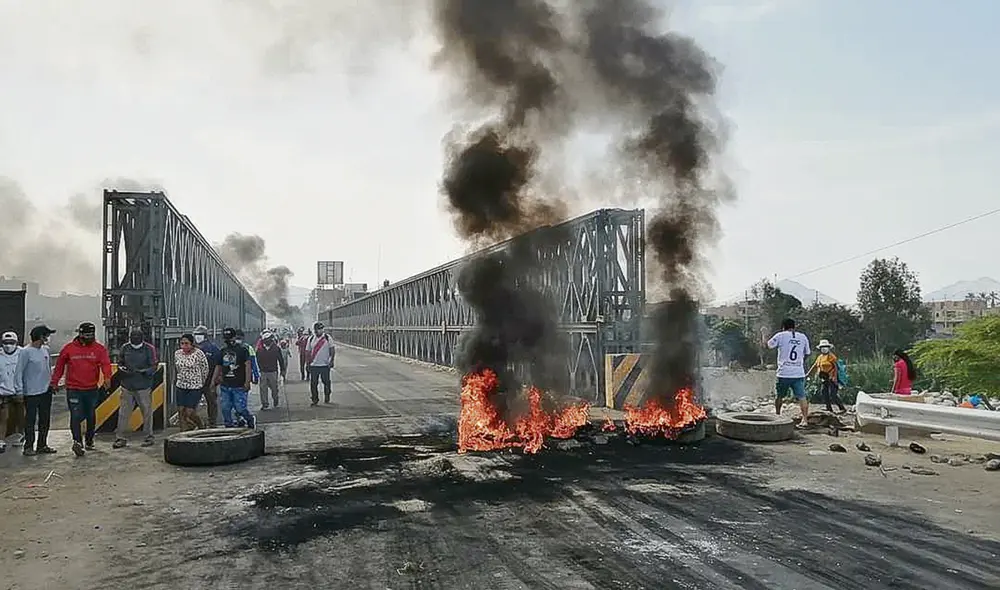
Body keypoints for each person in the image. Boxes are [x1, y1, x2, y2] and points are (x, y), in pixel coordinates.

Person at [50, 322, 113, 457]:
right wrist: (54, 382)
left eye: (91, 335)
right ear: (80, 334)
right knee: (76, 415)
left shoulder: (99, 349)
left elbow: (106, 364)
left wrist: (107, 377)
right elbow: (59, 366)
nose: (89, 337)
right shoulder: (68, 349)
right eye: (86, 335)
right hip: (74, 389)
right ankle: (77, 442)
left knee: (90, 415)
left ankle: (89, 440)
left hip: (91, 389)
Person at [15, 325, 57, 455]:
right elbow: (18, 372)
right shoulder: (25, 352)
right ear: (40, 336)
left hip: (45, 391)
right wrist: (19, 391)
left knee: (45, 420)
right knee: (30, 421)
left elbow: (48, 369)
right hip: (31, 392)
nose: (48, 338)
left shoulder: (45, 350)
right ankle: (28, 446)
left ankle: (42, 445)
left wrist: (52, 384)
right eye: (46, 335)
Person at [113, 327, 158, 448]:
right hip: (127, 385)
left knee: (147, 412)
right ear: (130, 338)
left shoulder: (149, 349)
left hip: (143, 386)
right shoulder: (125, 348)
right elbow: (120, 362)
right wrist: (122, 369)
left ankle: (149, 437)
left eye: (137, 337)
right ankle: (120, 438)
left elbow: (154, 366)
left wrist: (145, 371)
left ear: (142, 338)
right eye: (133, 337)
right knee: (123, 412)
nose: (135, 339)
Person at [765, 318, 811, 429]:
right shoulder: (803, 337)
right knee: (802, 397)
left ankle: (777, 415)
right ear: (794, 327)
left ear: (783, 327)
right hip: (798, 373)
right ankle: (804, 420)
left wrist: (764, 335)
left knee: (780, 396)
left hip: (784, 373)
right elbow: (808, 353)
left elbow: (768, 346)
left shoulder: (780, 335)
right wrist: (800, 362)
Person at [213, 327, 256, 429]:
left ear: (234, 338)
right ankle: (229, 425)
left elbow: (248, 366)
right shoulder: (222, 351)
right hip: (225, 385)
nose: (228, 341)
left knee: (240, 408)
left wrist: (247, 382)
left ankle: (249, 419)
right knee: (225, 408)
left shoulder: (243, 350)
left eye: (229, 338)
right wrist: (213, 382)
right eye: (226, 339)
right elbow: (218, 367)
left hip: (239, 385)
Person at [174, 333, 210, 431]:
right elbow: (177, 368)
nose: (184, 346)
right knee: (181, 411)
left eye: (186, 343)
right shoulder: (177, 353)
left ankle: (200, 425)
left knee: (189, 411)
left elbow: (205, 369)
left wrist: (201, 382)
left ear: (192, 344)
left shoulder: (199, 354)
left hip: (195, 386)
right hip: (181, 385)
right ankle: (183, 432)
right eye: (182, 344)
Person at [0, 331, 25, 453]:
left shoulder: (23, 353)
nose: (8, 345)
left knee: (21, 415)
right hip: (3, 392)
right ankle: (1, 440)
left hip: (19, 391)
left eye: (11, 342)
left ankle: (21, 435)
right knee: (3, 417)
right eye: (5, 342)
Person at [806, 339, 847, 414]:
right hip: (824, 378)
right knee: (824, 393)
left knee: (833, 394)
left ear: (828, 348)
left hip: (832, 377)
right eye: (822, 347)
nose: (824, 348)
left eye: (825, 347)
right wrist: (808, 374)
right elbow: (815, 366)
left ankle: (842, 408)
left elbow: (836, 367)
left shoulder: (831, 356)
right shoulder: (820, 357)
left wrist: (834, 377)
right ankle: (829, 408)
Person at [193, 325, 222, 427]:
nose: (197, 337)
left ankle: (212, 423)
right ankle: (198, 424)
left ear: (205, 336)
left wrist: (214, 382)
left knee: (212, 403)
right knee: (192, 405)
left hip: (209, 381)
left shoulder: (213, 349)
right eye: (196, 335)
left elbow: (218, 366)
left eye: (199, 335)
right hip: (196, 382)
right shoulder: (192, 349)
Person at [255, 330, 287, 410]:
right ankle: (265, 404)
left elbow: (280, 360)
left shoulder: (276, 348)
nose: (267, 341)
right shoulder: (259, 350)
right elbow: (257, 360)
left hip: (273, 371)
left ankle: (275, 399)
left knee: (274, 388)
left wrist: (282, 370)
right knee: (263, 389)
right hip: (263, 372)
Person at [307, 321, 335, 406]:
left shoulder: (327, 338)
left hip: (324, 365)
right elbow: (308, 351)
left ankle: (327, 395)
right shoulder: (311, 339)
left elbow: (332, 350)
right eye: (316, 329)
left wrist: (331, 360)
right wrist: (307, 363)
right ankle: (315, 399)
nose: (317, 331)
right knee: (313, 383)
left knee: (326, 382)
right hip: (314, 365)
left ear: (322, 330)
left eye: (319, 329)